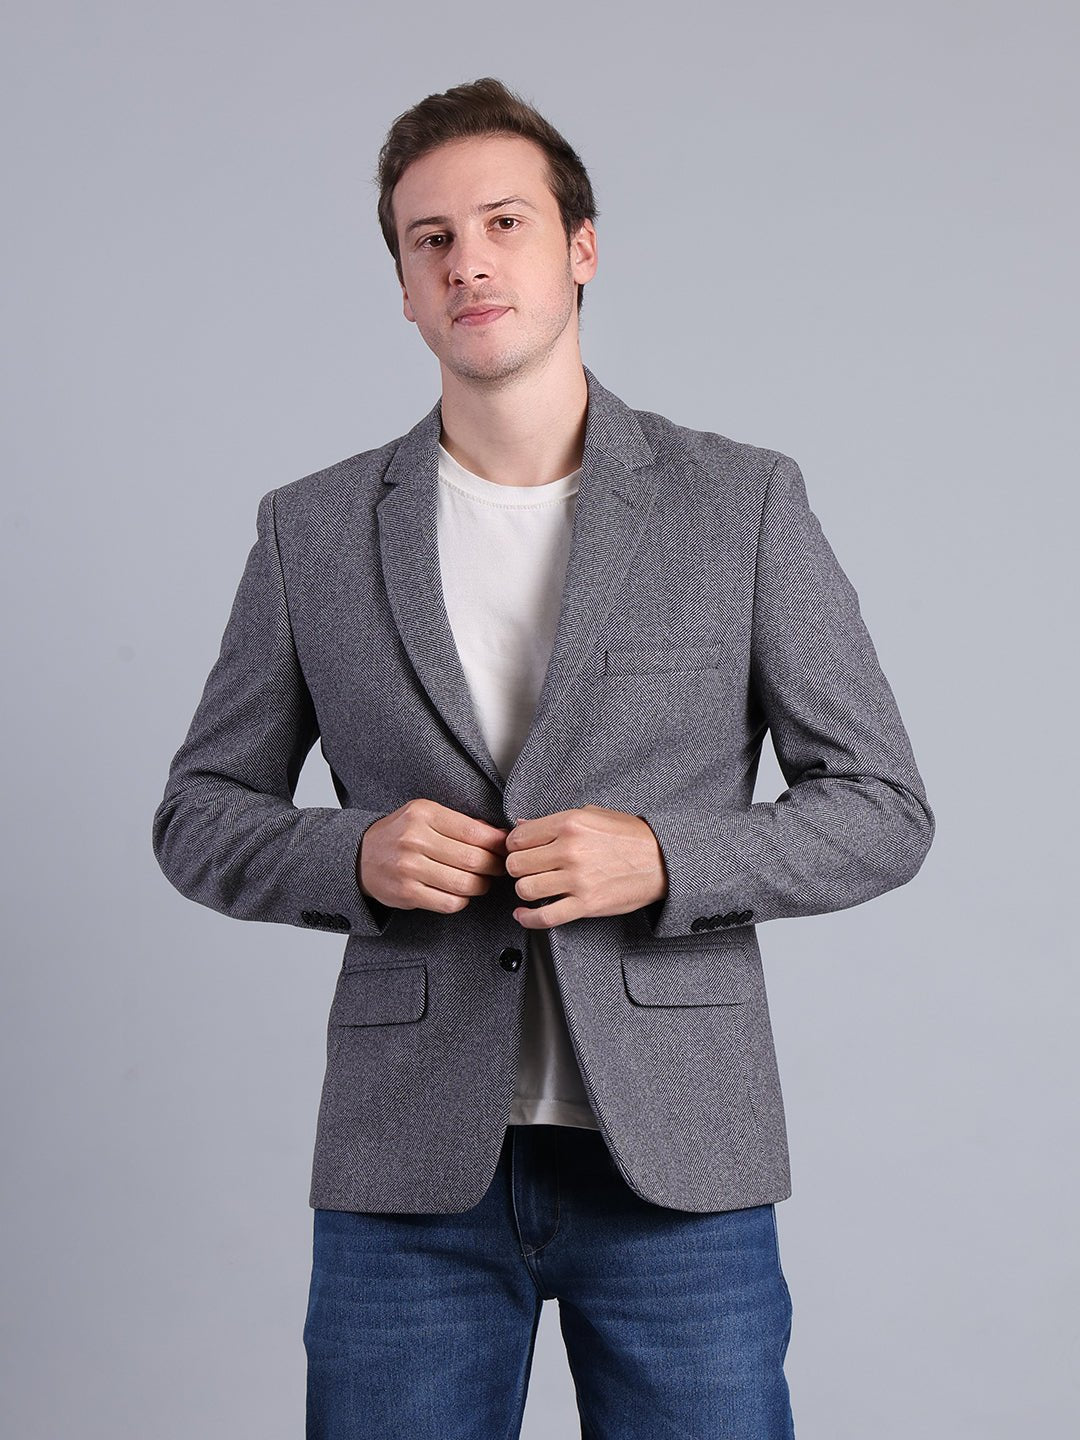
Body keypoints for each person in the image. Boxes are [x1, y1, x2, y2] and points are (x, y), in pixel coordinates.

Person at [152, 76, 935, 1440]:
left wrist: (666, 857)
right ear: (404, 288)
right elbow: (198, 814)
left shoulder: (739, 503)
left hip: (678, 1169)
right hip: (408, 1173)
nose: (469, 262)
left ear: (581, 247)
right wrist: (354, 853)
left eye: (504, 223)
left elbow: (882, 808)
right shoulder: (312, 531)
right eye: (432, 239)